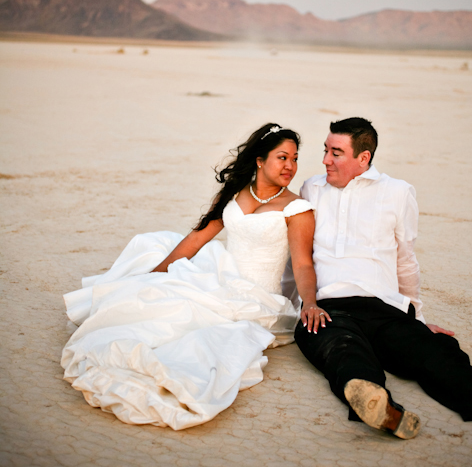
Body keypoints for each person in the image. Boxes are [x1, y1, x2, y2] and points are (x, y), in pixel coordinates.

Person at [61, 123, 318, 430]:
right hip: (221, 279)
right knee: (162, 300)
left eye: (294, 158)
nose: (290, 165)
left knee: (201, 338)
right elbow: (197, 239)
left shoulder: (296, 208)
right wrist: (156, 273)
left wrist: (310, 304)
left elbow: (303, 264)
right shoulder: (235, 194)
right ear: (260, 160)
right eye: (282, 157)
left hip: (258, 300)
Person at [295, 117, 472, 439]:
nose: (325, 160)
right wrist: (302, 303)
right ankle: (383, 408)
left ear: (363, 157)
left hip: (383, 307)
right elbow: (299, 255)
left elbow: (405, 261)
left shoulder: (397, 192)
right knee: (342, 352)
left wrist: (418, 317)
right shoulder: (312, 188)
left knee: (434, 352)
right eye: (325, 150)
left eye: (336, 152)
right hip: (328, 308)